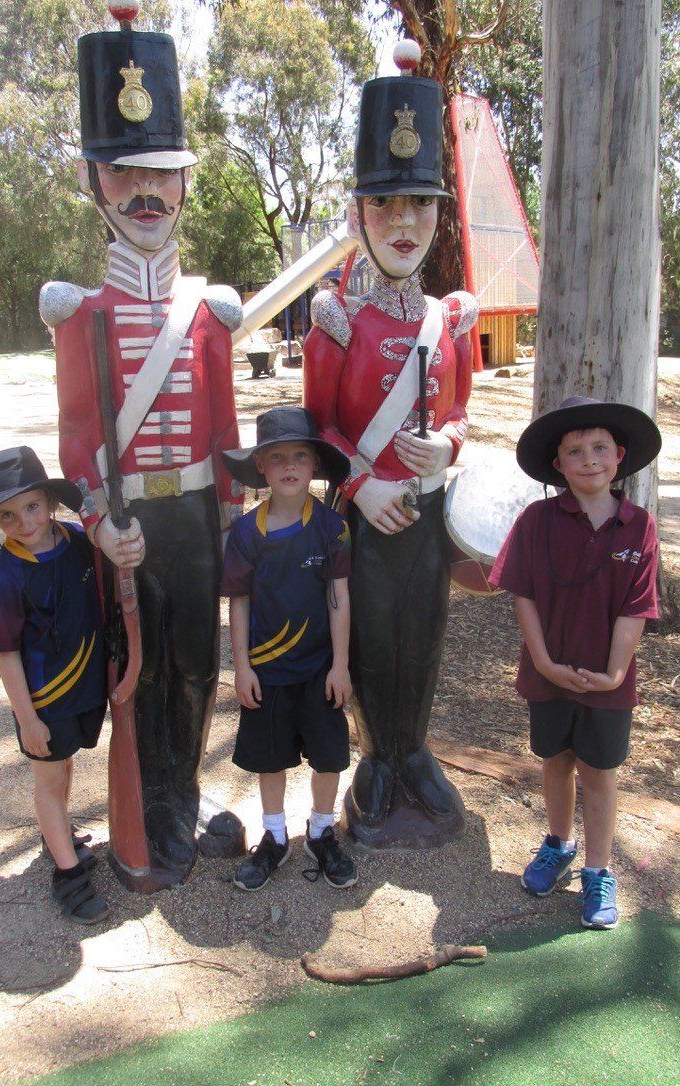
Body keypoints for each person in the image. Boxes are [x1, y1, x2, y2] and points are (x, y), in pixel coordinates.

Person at [39, 7, 244, 886]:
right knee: (140, 663)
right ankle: (149, 803)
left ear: (186, 181)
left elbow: (226, 431)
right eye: (126, 173)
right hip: (127, 524)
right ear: (96, 180)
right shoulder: (80, 316)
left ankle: (182, 793)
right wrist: (97, 521)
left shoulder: (208, 314)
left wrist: (234, 518)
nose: (145, 193)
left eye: (161, 172)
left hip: (195, 515)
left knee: (196, 663)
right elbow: (78, 437)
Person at [303, 41, 478, 846]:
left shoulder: (451, 320)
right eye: (386, 206)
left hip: (427, 513)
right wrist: (359, 486)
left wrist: (449, 447)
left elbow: (460, 409)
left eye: (420, 206)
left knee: (425, 634)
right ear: (357, 215)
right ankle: (378, 757)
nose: (405, 224)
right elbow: (317, 428)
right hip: (365, 519)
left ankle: (415, 750)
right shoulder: (337, 321)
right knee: (373, 636)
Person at [489, 397, 662, 929]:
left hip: (607, 680)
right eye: (575, 451)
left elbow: (636, 606)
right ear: (558, 464)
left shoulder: (638, 526)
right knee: (556, 760)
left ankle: (598, 870)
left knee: (600, 773)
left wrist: (614, 673)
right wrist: (542, 662)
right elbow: (522, 593)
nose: (589, 460)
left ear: (619, 456)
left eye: (600, 448)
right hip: (548, 674)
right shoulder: (537, 520)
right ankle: (558, 844)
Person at [0, 447, 112, 924]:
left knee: (64, 767)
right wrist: (27, 720)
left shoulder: (77, 541)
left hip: (85, 688)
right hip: (45, 700)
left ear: (50, 501)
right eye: (6, 515)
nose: (24, 522)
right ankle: (67, 875)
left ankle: (56, 834)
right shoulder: (6, 579)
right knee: (49, 778)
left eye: (31, 506)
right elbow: (7, 656)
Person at [220, 407, 358, 890]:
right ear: (261, 466)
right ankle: (275, 837)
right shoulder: (244, 533)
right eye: (276, 458)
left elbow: (339, 598)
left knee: (329, 756)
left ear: (315, 464)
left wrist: (341, 666)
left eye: (300, 456)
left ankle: (321, 831)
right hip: (267, 671)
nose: (289, 466)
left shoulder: (331, 527)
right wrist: (242, 667)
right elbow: (238, 602)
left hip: (320, 669)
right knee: (270, 757)